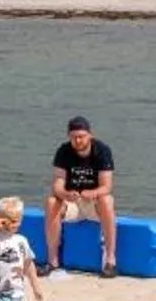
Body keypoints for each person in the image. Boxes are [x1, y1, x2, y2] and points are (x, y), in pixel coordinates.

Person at [44, 115, 118, 278]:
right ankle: (52, 261)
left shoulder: (102, 150)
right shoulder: (63, 151)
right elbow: (57, 183)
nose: (78, 141)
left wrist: (93, 193)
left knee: (107, 199)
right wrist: (65, 194)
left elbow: (107, 186)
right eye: (74, 137)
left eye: (81, 137)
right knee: (51, 201)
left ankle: (110, 261)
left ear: (90, 135)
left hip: (93, 203)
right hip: (72, 202)